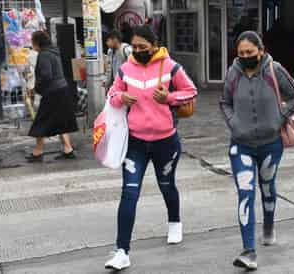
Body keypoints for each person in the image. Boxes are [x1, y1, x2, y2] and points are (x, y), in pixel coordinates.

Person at [104, 25, 197, 270]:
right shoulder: (125, 69)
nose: (137, 51)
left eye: (142, 47)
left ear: (154, 45)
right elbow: (112, 95)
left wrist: (169, 98)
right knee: (129, 193)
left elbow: (191, 91)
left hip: (166, 142)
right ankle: (122, 250)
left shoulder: (170, 67)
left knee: (166, 185)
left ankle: (175, 221)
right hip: (135, 143)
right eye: (134, 47)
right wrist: (120, 98)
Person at [220, 31, 294, 270]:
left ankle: (268, 226)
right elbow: (224, 101)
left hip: (270, 144)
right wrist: (233, 122)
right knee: (246, 193)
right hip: (240, 144)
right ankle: (249, 250)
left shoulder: (274, 69)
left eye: (250, 52)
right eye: (241, 53)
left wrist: (281, 118)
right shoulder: (232, 73)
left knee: (267, 188)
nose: (245, 56)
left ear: (261, 50)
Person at [26, 31, 78, 163]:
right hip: (62, 89)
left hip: (52, 92)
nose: (32, 45)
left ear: (37, 42)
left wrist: (36, 88)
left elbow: (46, 75)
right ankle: (68, 149)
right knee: (61, 121)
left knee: (41, 121)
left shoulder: (44, 55)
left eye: (32, 42)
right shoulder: (54, 52)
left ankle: (38, 152)